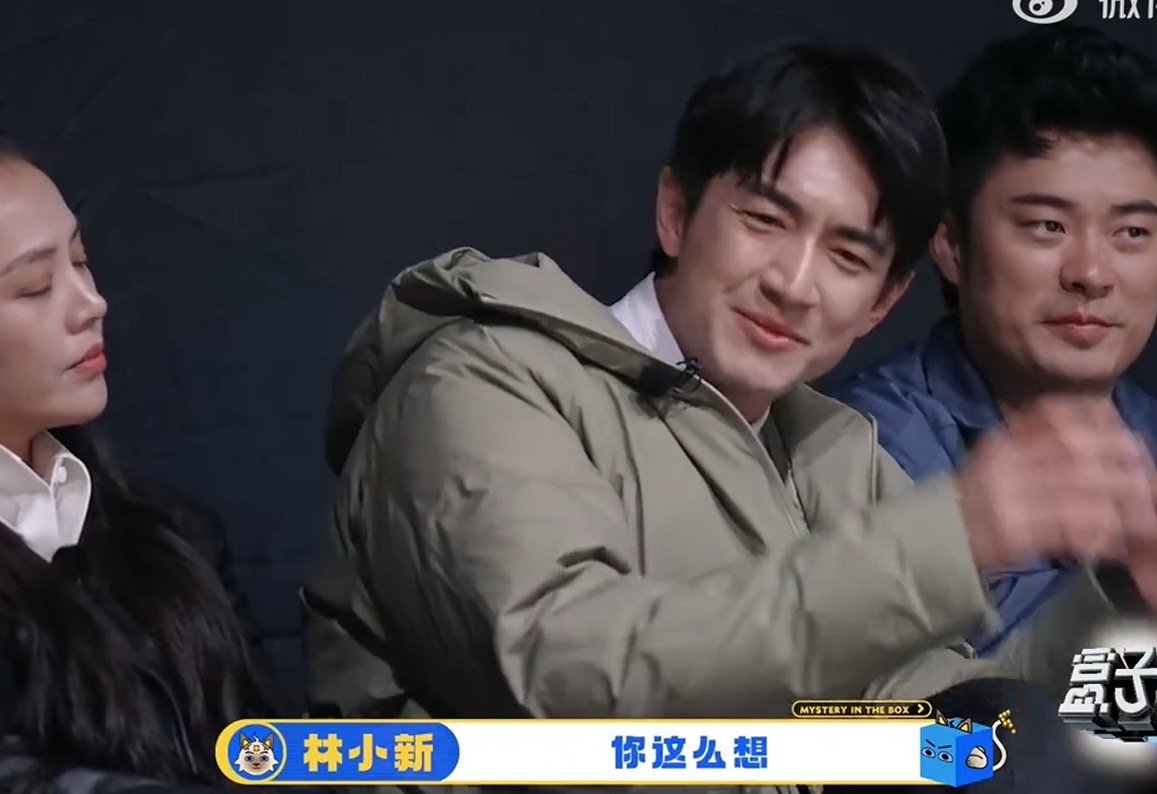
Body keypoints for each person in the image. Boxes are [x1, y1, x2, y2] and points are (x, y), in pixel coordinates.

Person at [302, 41, 1157, 790]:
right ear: (676, 213)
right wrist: (954, 538)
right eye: (764, 220)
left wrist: (1127, 612)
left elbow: (944, 725)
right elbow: (567, 695)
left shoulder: (830, 451)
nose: (793, 283)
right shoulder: (482, 384)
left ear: (880, 301)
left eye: (847, 254)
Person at [827, 25, 1157, 658]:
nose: (1091, 273)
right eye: (1047, 226)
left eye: (1133, 233)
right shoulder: (860, 450)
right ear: (952, 244)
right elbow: (910, 709)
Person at [0, 137, 276, 792]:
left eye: (80, 261)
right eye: (35, 287)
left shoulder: (176, 535)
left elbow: (268, 751)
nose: (90, 304)